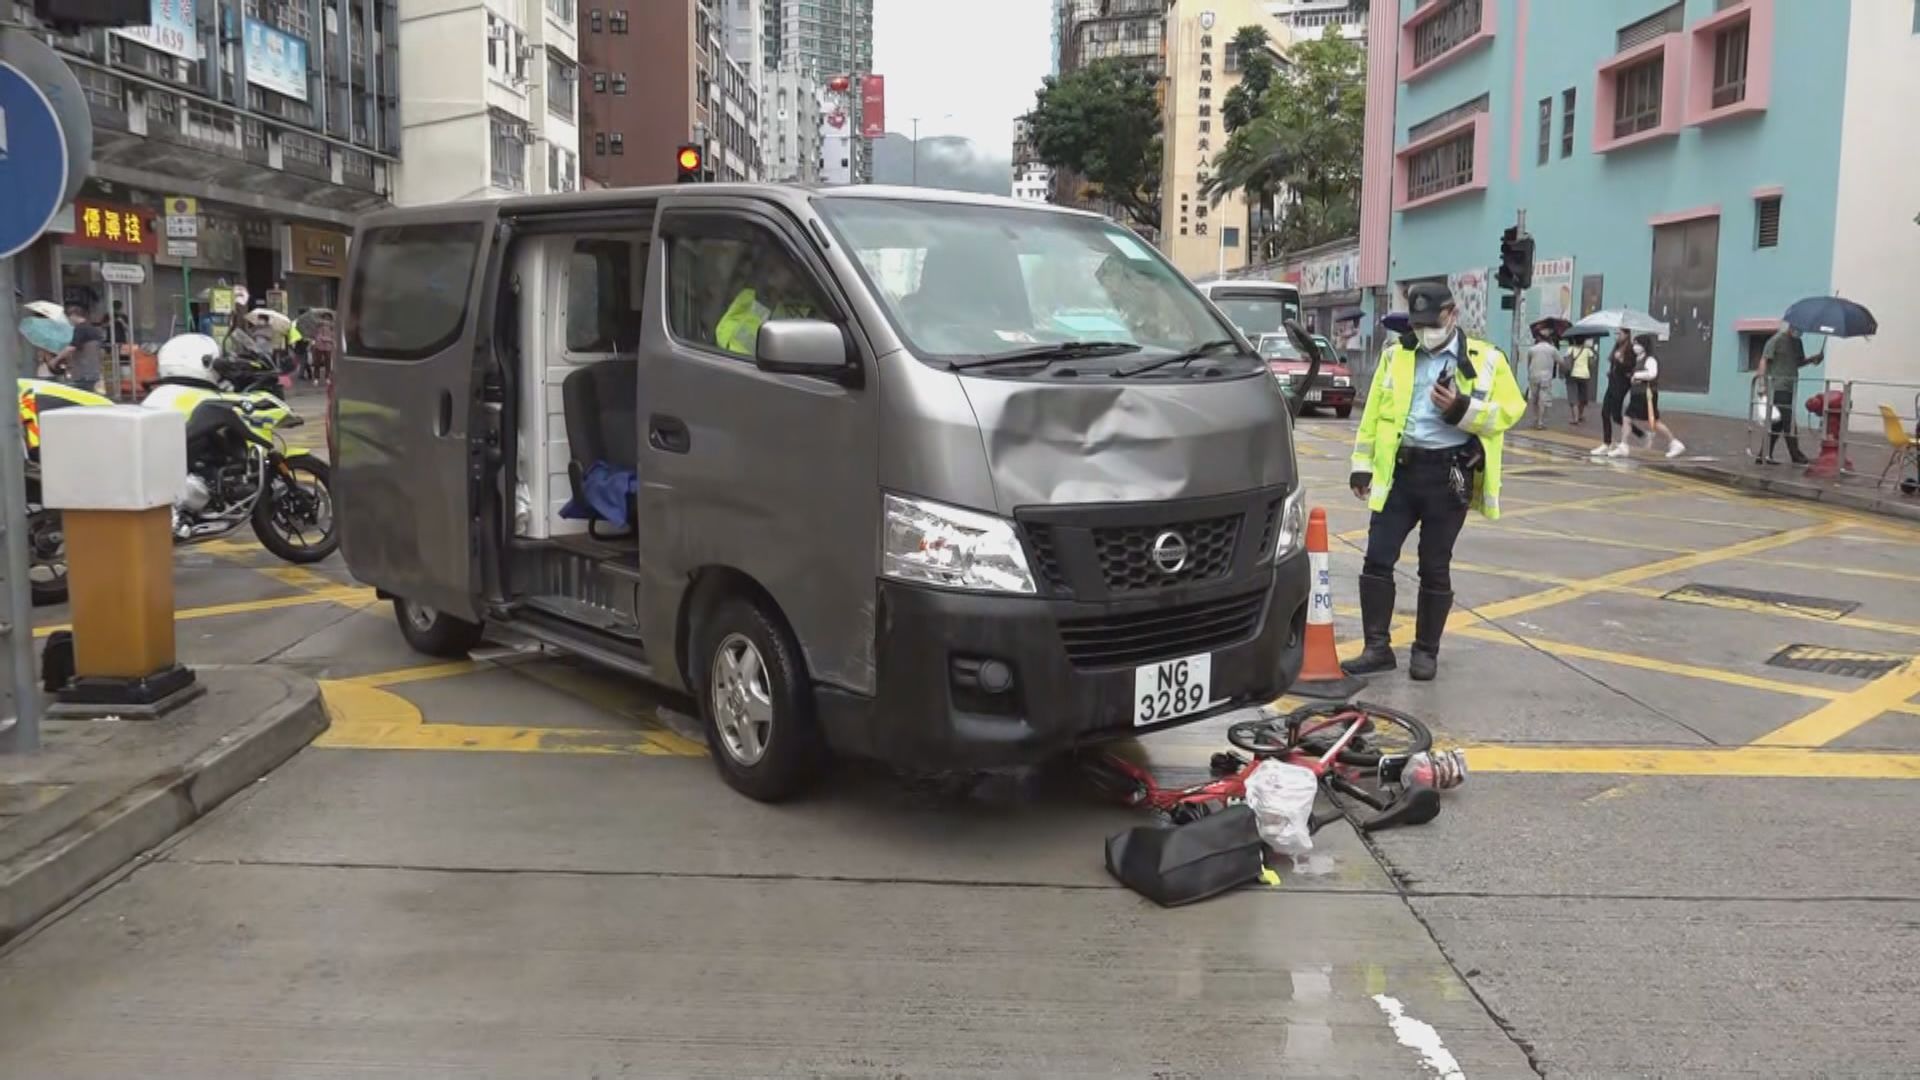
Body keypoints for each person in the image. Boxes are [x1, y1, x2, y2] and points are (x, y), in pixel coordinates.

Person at [1345, 283, 1525, 682]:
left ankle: (1426, 651)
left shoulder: (1486, 360)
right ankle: (1376, 647)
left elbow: (1510, 412)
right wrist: (1361, 465)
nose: (1426, 331)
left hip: (1448, 475)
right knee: (1377, 558)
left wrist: (1464, 410)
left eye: (1433, 322)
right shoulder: (1396, 356)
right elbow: (1373, 415)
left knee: (1434, 565)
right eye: (1418, 323)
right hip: (1400, 472)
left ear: (1452, 314)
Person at [715, 253, 819, 356]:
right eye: (771, 268)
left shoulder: (808, 318)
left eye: (778, 268)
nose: (771, 273)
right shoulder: (750, 297)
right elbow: (724, 337)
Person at [1757, 322, 1821, 466]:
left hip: (1790, 386)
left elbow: (1797, 362)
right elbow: (1764, 360)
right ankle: (1796, 455)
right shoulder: (1776, 340)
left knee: (1778, 424)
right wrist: (1762, 384)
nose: (1799, 331)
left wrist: (1812, 359)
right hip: (1777, 386)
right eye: (1797, 328)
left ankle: (1763, 454)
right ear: (1791, 326)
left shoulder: (1797, 342)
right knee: (1789, 421)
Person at [1621, 334, 1687, 459]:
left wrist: (1636, 376)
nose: (1635, 347)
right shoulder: (1638, 359)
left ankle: (1675, 443)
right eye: (1634, 344)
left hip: (1646, 395)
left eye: (1638, 344)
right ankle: (1623, 445)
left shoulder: (1650, 359)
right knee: (1627, 418)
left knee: (1653, 422)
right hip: (1638, 394)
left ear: (1644, 346)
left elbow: (1652, 374)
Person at [1591, 332, 1636, 457]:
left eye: (1619, 333)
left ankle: (1640, 433)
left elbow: (1630, 368)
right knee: (1605, 412)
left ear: (1626, 334)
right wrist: (1610, 371)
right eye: (1616, 333)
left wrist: (1621, 361)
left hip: (1622, 384)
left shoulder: (1631, 349)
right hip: (1612, 382)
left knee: (1616, 416)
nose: (1616, 336)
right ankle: (1606, 443)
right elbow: (1613, 363)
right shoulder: (1617, 346)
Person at [49, 304, 106, 393]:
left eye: (68, 318)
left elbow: (71, 348)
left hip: (83, 373)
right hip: (93, 371)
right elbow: (102, 351)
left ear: (74, 315)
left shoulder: (80, 329)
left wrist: (55, 360)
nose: (68, 321)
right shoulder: (93, 329)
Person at [1526, 326, 1561, 430]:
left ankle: (1535, 418)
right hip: (1546, 377)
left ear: (1538, 338)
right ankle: (1540, 422)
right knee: (1543, 399)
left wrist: (1529, 374)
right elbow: (1561, 361)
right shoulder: (1552, 349)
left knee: (1535, 399)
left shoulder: (1532, 349)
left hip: (1534, 376)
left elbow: (1529, 364)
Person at [1564, 334, 1596, 425]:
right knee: (1582, 397)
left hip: (1573, 375)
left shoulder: (1570, 349)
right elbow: (1592, 364)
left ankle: (1575, 418)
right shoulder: (1588, 350)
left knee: (1573, 396)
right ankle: (1580, 415)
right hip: (1585, 375)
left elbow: (1565, 362)